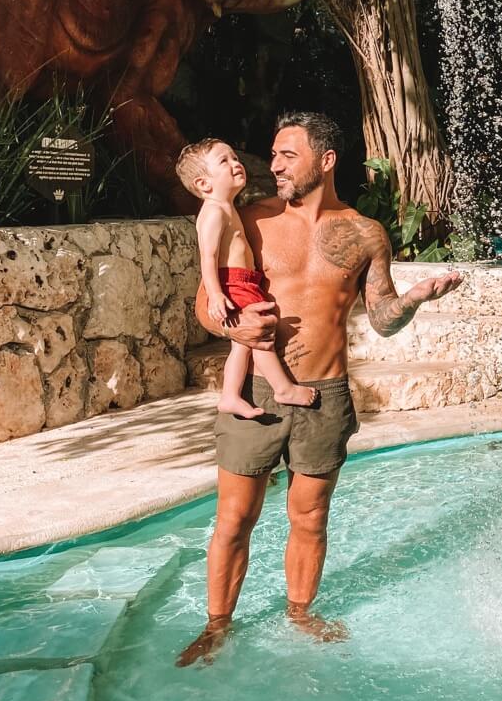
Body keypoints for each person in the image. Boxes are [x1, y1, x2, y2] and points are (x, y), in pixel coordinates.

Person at [176, 112, 462, 667]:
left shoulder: (365, 233)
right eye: (274, 155)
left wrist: (418, 296)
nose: (273, 166)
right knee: (235, 518)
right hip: (259, 388)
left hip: (325, 393)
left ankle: (300, 614)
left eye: (287, 155)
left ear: (325, 161)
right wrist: (231, 327)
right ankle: (216, 626)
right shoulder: (250, 220)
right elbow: (206, 304)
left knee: (310, 516)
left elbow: (382, 317)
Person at [175, 138, 318, 420]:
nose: (235, 163)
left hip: (244, 281)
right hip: (235, 282)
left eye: (234, 158)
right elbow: (208, 257)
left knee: (241, 346)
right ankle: (283, 388)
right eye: (224, 161)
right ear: (204, 184)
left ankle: (230, 395)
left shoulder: (227, 207)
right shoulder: (214, 211)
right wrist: (216, 294)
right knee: (258, 338)